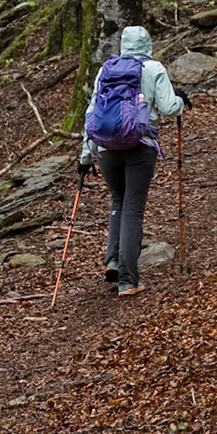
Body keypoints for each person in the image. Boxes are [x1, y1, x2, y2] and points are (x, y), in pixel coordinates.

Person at [78, 25, 186, 296]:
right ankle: (128, 280)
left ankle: (113, 260)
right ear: (148, 44)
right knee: (133, 209)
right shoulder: (153, 69)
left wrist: (84, 155)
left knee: (118, 200)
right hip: (140, 145)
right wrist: (181, 99)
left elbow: (92, 112)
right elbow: (170, 107)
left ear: (123, 44)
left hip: (106, 148)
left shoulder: (106, 70)